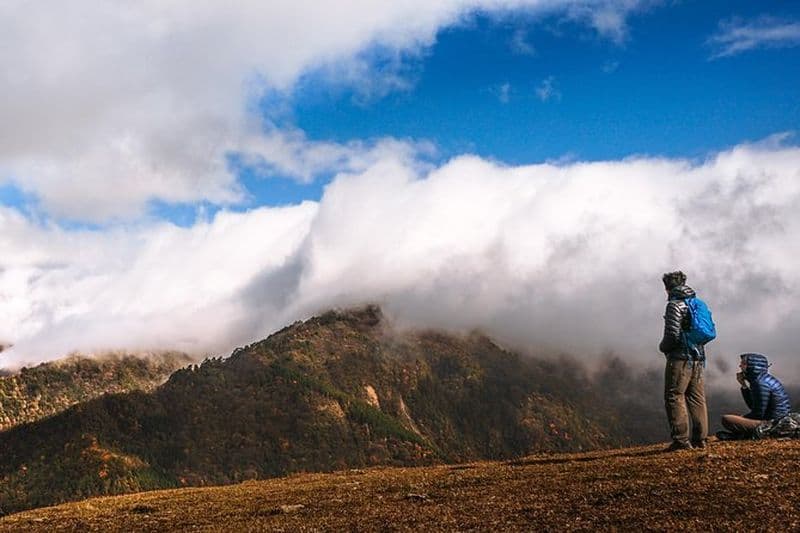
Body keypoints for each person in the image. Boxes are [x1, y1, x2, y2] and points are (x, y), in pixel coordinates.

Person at [659, 271, 708, 450]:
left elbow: (672, 335)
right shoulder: (697, 303)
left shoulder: (674, 305)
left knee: (674, 395)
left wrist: (663, 347)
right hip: (699, 358)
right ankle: (700, 439)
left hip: (680, 358)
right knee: (697, 397)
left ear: (667, 287)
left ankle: (681, 440)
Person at [717, 353, 792, 440]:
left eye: (744, 364)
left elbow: (758, 414)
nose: (740, 365)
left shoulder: (760, 383)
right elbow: (754, 407)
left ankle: (751, 435)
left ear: (753, 366)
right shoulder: (761, 380)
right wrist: (744, 386)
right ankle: (743, 435)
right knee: (736, 419)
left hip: (771, 424)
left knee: (726, 419)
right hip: (775, 421)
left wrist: (742, 418)